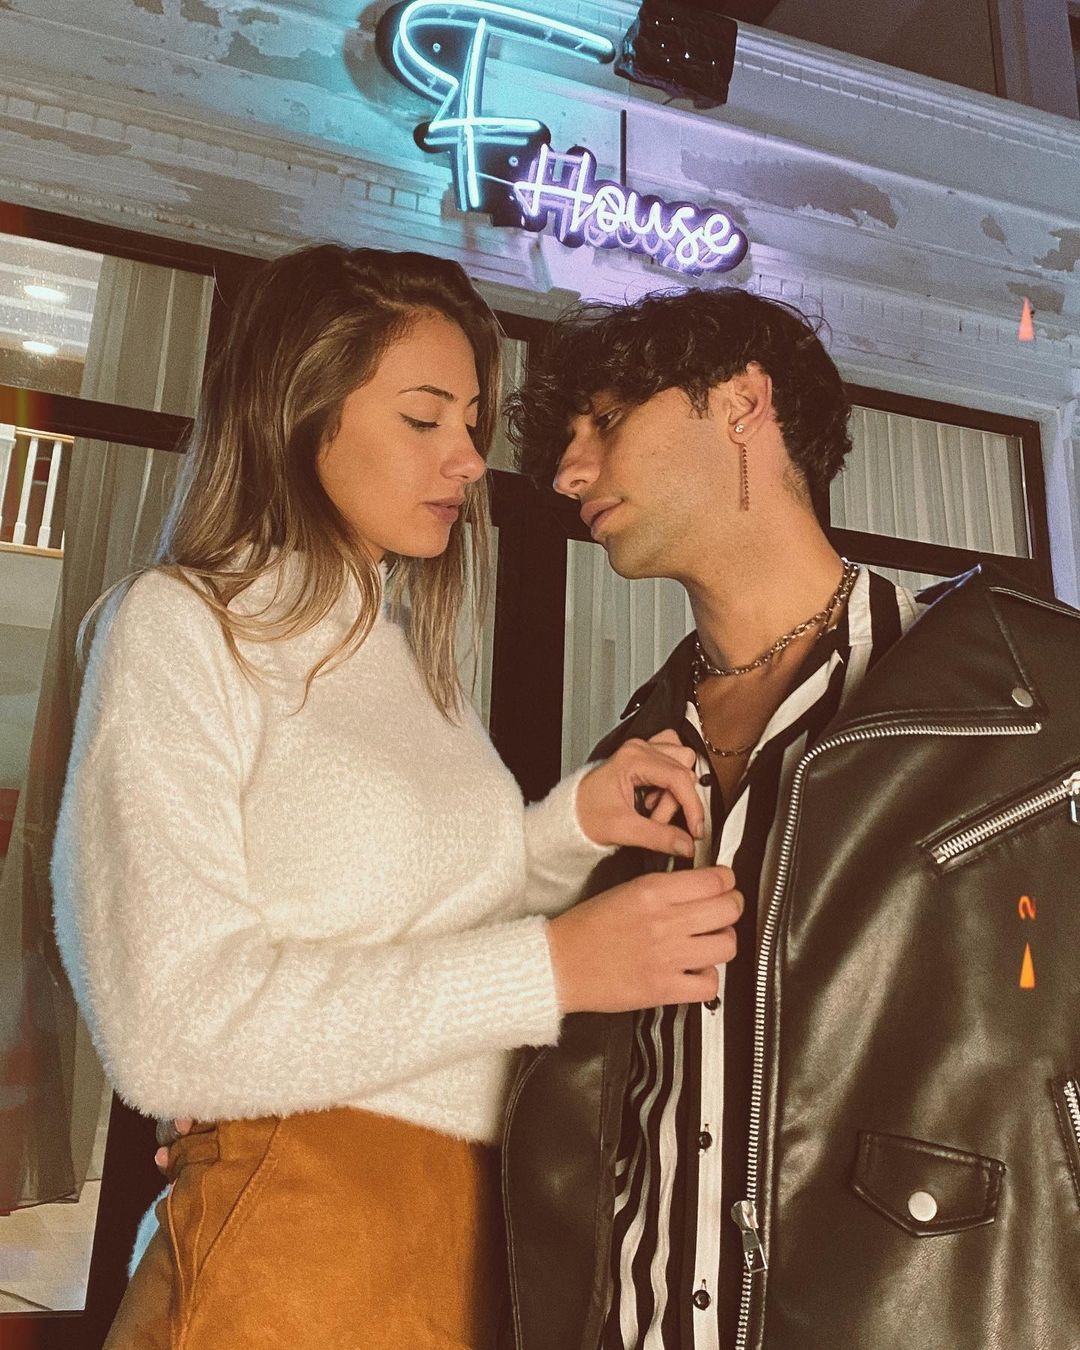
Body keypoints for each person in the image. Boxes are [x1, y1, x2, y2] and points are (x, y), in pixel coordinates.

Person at [50, 245, 745, 1350]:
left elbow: (426, 911)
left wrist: (567, 829)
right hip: (302, 1238)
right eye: (424, 418)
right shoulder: (183, 627)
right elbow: (170, 1030)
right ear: (299, 411)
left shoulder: (409, 658)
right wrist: (557, 967)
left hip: (481, 1240)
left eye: (470, 421)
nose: (468, 459)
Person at [499, 287, 1080, 1350]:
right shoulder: (623, 771)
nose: (568, 472)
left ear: (742, 404)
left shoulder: (1035, 703)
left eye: (606, 421)